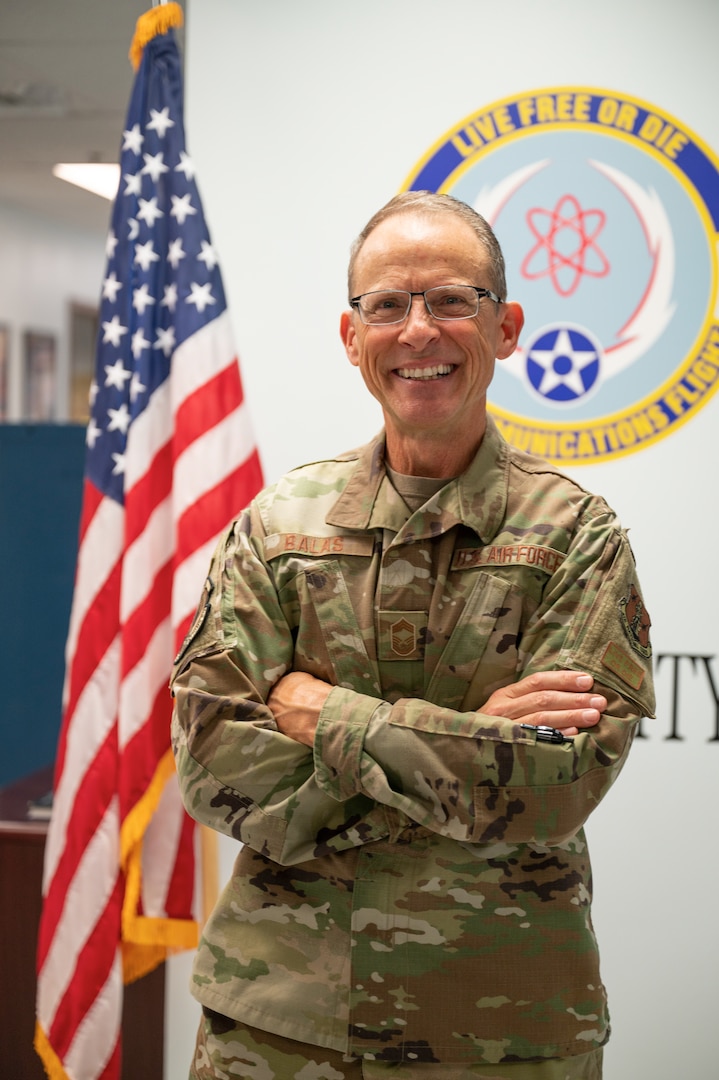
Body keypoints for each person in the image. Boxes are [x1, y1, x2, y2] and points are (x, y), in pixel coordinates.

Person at [170, 191, 655, 1080]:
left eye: (449, 301)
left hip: (503, 1032)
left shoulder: (577, 537)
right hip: (278, 1026)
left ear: (504, 327)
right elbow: (209, 762)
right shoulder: (278, 525)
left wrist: (324, 716)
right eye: (386, 305)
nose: (416, 330)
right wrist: (470, 750)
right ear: (351, 337)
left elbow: (554, 786)